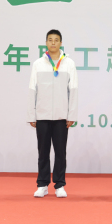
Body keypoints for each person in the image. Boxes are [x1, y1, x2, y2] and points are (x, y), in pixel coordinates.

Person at [27, 29, 78, 198]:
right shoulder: (38, 64)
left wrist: (71, 115)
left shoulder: (69, 63)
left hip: (61, 116)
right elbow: (32, 89)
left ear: (61, 43)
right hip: (42, 115)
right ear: (46, 43)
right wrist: (31, 114)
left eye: (56, 40)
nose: (53, 42)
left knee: (60, 152)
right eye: (50, 40)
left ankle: (59, 185)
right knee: (43, 152)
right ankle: (42, 184)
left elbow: (73, 90)